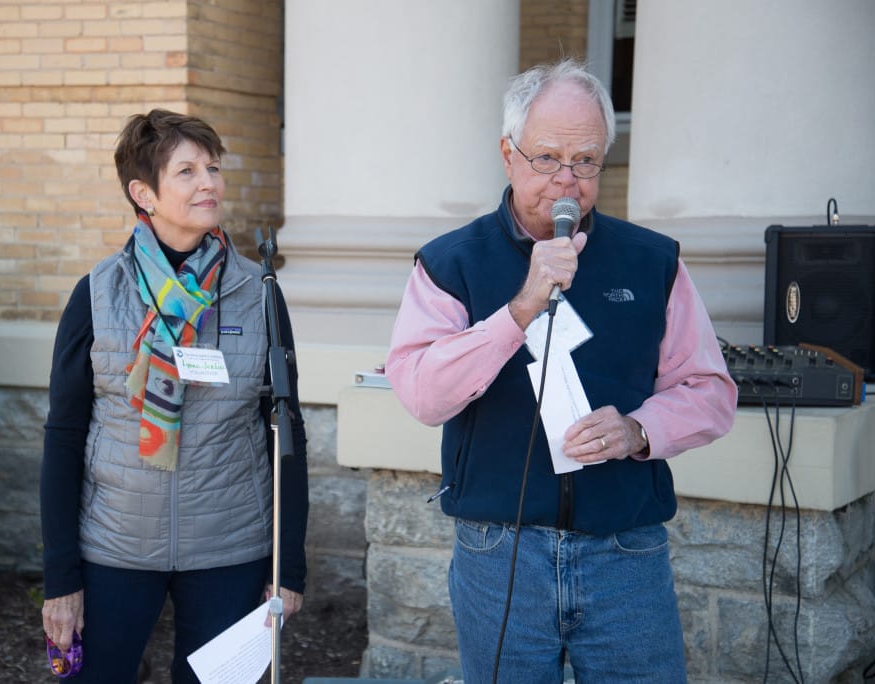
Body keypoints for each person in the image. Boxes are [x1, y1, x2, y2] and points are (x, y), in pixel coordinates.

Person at [385, 60, 737, 683]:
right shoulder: (450, 263)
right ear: (508, 155)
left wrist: (637, 430)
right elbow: (421, 393)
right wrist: (520, 308)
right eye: (546, 158)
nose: (566, 181)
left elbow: (708, 391)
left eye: (586, 161)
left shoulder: (652, 261)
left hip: (626, 549)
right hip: (500, 553)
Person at [40, 109, 309, 683]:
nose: (208, 182)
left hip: (229, 551)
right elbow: (63, 436)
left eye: (213, 167)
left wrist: (289, 567)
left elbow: (287, 432)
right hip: (113, 548)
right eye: (186, 171)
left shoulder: (256, 291)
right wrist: (60, 579)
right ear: (145, 193)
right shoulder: (96, 293)